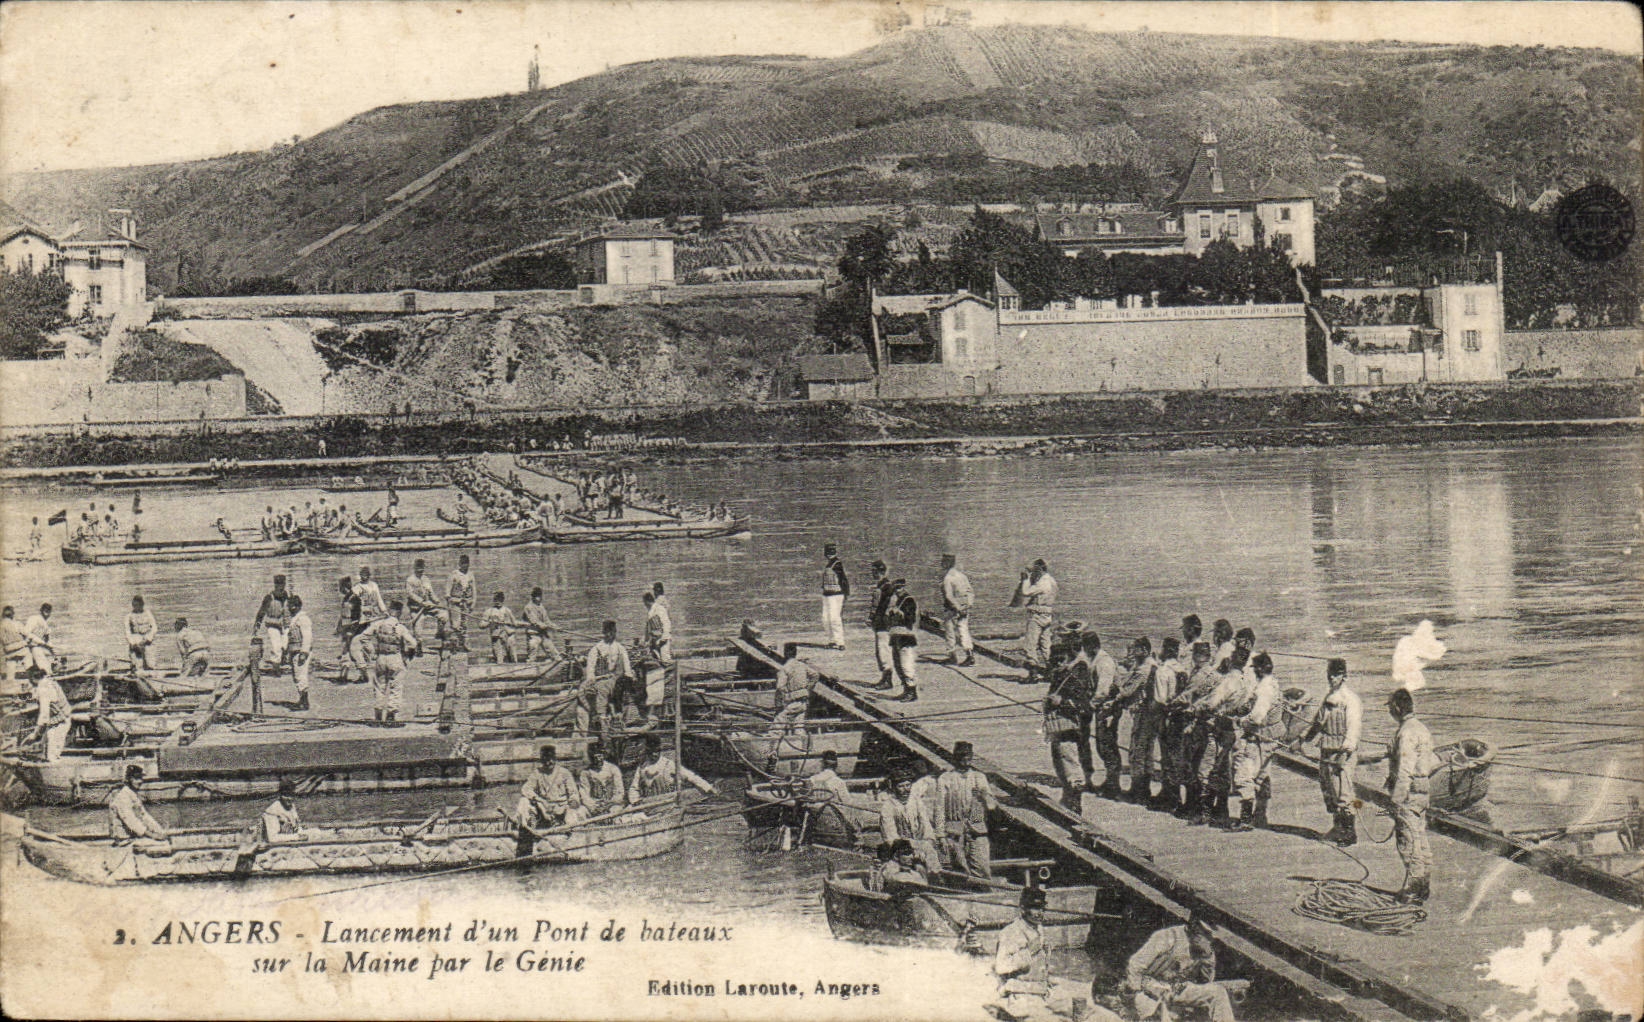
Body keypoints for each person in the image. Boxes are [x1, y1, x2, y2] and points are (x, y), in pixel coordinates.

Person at [1363, 688, 1439, 904]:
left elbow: (1405, 768)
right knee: (1420, 838)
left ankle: (1414, 889)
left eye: (1390, 708)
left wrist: (1395, 800)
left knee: (1407, 840)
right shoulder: (1421, 729)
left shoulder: (1405, 733)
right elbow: (1432, 761)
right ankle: (1423, 885)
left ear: (1396, 708)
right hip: (1423, 789)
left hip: (1409, 791)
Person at [1124, 913, 1235, 1022]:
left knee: (1218, 992)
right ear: (1193, 927)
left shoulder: (1205, 949)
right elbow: (1135, 964)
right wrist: (1136, 990)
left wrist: (1207, 957)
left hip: (1179, 989)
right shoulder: (1168, 936)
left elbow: (1206, 982)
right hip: (1151, 988)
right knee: (1157, 1017)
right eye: (1204, 932)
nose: (1208, 938)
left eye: (1210, 934)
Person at [1301, 658, 1362, 846]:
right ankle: (1337, 828)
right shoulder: (1329, 697)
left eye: (1335, 674)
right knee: (1328, 789)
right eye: (1330, 674)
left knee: (1344, 792)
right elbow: (1318, 723)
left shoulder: (1350, 700)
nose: (1332, 678)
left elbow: (1353, 729)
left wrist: (1345, 753)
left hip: (1342, 752)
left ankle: (1349, 833)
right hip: (1326, 749)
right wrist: (1303, 739)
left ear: (1344, 676)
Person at [1229, 653, 1284, 831]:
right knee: (1262, 775)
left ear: (1259, 669)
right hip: (1271, 738)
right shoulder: (1273, 684)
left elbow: (1258, 717)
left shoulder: (1264, 690)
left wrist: (1241, 721)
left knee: (1244, 774)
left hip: (1259, 738)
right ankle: (1260, 815)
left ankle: (1246, 820)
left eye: (1254, 668)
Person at [1045, 631, 1098, 806]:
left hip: (1068, 726)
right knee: (1060, 762)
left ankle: (1075, 801)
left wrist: (1062, 702)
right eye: (1054, 661)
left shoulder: (1075, 675)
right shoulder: (1063, 674)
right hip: (1057, 727)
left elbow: (1083, 704)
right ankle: (1068, 796)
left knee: (1070, 762)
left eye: (1059, 661)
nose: (1056, 665)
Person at [1130, 637, 1180, 807]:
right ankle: (1173, 796)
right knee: (1173, 758)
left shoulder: (1162, 670)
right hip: (1178, 717)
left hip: (1161, 716)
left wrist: (1150, 717)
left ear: (1167, 651)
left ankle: (1163, 796)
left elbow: (1159, 699)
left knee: (1155, 754)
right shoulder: (1181, 668)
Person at [935, 741, 997, 878]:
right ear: (955, 757)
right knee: (960, 870)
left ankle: (984, 892)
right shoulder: (945, 778)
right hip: (954, 828)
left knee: (982, 868)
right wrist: (940, 835)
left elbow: (992, 806)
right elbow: (939, 808)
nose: (965, 759)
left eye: (968, 755)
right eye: (961, 755)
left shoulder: (979, 777)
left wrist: (983, 795)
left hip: (977, 828)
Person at [993, 887, 1051, 1020]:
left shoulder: (1038, 929)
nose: (1040, 913)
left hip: (1038, 993)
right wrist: (1028, 952)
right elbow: (1000, 966)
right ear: (1023, 909)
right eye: (1035, 908)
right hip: (1020, 996)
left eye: (1042, 908)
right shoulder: (1011, 931)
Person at [517, 746, 588, 843]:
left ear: (555, 759)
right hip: (543, 809)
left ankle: (571, 841)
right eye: (545, 759)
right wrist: (541, 802)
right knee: (523, 801)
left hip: (562, 808)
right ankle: (525, 836)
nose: (547, 762)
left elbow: (573, 794)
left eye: (550, 759)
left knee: (573, 815)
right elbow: (526, 789)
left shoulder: (564, 773)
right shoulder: (537, 773)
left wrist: (570, 804)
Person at [365, 600, 419, 724]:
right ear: (399, 613)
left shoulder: (378, 624)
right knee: (396, 687)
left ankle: (378, 716)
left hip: (381, 658)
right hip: (395, 657)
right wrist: (408, 655)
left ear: (389, 610)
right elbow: (413, 643)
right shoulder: (400, 627)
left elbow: (364, 637)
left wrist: (371, 651)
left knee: (379, 686)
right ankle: (390, 716)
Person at [579, 621, 633, 739]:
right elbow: (590, 670)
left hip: (616, 681)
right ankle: (602, 721)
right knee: (602, 692)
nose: (610, 635)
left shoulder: (620, 649)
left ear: (615, 633)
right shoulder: (596, 649)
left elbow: (627, 669)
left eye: (612, 632)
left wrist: (628, 679)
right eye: (607, 633)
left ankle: (621, 721)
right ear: (603, 633)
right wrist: (591, 680)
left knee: (625, 693)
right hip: (601, 681)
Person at [878, 769, 939, 870]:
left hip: (920, 845)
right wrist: (909, 850)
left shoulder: (916, 801)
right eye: (901, 786)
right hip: (899, 848)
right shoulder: (888, 806)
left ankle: (935, 877)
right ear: (893, 787)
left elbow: (925, 824)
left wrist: (928, 841)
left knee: (929, 855)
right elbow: (890, 836)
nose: (905, 789)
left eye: (908, 785)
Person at [628, 735, 716, 803]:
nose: (654, 754)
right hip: (650, 802)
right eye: (651, 752)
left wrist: (707, 787)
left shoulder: (668, 764)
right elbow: (634, 788)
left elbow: (690, 776)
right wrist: (635, 800)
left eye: (657, 751)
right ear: (647, 752)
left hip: (668, 801)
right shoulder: (642, 767)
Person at [107, 765, 169, 853]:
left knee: (164, 841)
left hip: (132, 837)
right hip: (124, 840)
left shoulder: (132, 794)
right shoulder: (123, 797)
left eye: (141, 778)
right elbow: (131, 821)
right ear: (128, 780)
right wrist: (153, 835)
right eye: (136, 778)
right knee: (163, 846)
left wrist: (160, 831)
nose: (140, 781)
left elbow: (144, 816)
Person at [1013, 559, 1058, 679]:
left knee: (1030, 644)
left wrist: (1026, 579)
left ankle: (1032, 673)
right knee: (1046, 644)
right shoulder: (1052, 581)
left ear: (1039, 569)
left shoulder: (1043, 583)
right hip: (1047, 614)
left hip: (1037, 615)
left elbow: (1025, 592)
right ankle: (1051, 672)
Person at [887, 578, 920, 702]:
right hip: (896, 635)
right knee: (898, 664)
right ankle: (906, 689)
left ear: (903, 587)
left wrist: (900, 613)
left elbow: (910, 619)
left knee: (906, 664)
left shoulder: (908, 600)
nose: (897, 591)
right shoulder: (897, 600)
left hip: (906, 636)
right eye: (895, 589)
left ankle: (912, 691)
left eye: (899, 588)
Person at [939, 553, 975, 666]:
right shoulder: (962, 576)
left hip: (952, 609)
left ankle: (952, 656)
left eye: (943, 562)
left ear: (946, 564)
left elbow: (949, 596)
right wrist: (967, 605)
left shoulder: (947, 578)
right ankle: (969, 654)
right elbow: (970, 592)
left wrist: (957, 608)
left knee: (950, 632)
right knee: (964, 630)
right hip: (964, 608)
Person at [252, 575, 292, 670]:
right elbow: (261, 612)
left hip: (286, 625)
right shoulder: (269, 598)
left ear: (284, 584)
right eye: (278, 584)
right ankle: (276, 668)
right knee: (276, 646)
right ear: (275, 585)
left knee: (285, 645)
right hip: (273, 625)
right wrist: (257, 625)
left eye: (282, 584)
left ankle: (282, 659)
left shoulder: (289, 596)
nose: (280, 586)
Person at [404, 559, 449, 641]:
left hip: (428, 607)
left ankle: (440, 633)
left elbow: (431, 593)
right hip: (416, 609)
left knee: (444, 615)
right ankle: (418, 646)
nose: (420, 571)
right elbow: (410, 594)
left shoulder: (426, 579)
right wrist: (421, 602)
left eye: (422, 569)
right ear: (414, 568)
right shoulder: (410, 580)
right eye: (418, 569)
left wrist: (437, 602)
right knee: (418, 628)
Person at [868, 560, 896, 689]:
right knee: (883, 650)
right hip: (886, 622)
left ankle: (887, 679)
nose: (872, 574)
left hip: (882, 623)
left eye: (874, 571)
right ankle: (885, 677)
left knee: (883, 650)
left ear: (879, 572)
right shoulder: (888, 586)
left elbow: (876, 606)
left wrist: (870, 618)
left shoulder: (882, 587)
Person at [579, 743, 628, 816]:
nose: (598, 759)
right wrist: (594, 806)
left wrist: (610, 803)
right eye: (594, 757)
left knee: (615, 811)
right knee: (580, 812)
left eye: (600, 756)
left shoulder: (613, 769)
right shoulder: (585, 773)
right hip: (595, 805)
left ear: (603, 755)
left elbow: (619, 791)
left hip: (612, 803)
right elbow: (584, 795)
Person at [286, 595, 314, 711]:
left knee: (300, 676)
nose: (289, 608)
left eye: (292, 606)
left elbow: (307, 637)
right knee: (296, 676)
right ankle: (302, 699)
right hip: (294, 651)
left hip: (300, 652)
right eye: (289, 606)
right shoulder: (294, 619)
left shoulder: (303, 619)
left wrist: (304, 652)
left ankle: (304, 702)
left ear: (297, 606)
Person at [446, 555, 476, 651]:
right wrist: (450, 603)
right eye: (463, 564)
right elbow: (447, 591)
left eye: (467, 564)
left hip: (466, 603)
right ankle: (454, 645)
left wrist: (473, 603)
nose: (465, 566)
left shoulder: (470, 575)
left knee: (465, 624)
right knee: (455, 625)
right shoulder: (454, 574)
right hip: (456, 603)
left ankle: (465, 645)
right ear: (459, 564)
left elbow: (474, 590)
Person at [521, 587, 560, 661]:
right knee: (533, 651)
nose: (539, 598)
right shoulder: (528, 607)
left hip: (543, 634)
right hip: (533, 635)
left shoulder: (541, 606)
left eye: (540, 596)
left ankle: (558, 662)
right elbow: (534, 621)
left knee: (553, 652)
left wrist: (555, 626)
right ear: (533, 597)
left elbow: (546, 620)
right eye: (537, 596)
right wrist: (543, 625)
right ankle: (530, 665)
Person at [261, 779, 305, 843]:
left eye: (291, 795)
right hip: (272, 847)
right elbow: (272, 838)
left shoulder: (291, 806)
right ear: (280, 795)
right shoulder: (272, 811)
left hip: (289, 843)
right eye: (286, 795)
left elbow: (297, 826)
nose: (289, 798)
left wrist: (300, 833)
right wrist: (296, 837)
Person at [124, 595, 158, 673]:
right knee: (137, 665)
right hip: (135, 640)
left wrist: (148, 639)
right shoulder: (128, 616)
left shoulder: (148, 614)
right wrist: (133, 643)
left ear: (142, 605)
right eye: (135, 605)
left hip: (147, 640)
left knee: (151, 664)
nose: (137, 607)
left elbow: (154, 628)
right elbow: (127, 631)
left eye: (139, 605)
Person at [482, 592, 518, 664]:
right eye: (496, 600)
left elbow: (515, 623)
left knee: (512, 656)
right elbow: (481, 625)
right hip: (497, 636)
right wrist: (490, 623)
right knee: (499, 658)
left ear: (503, 600)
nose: (498, 602)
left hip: (508, 635)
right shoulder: (489, 611)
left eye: (500, 600)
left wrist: (507, 623)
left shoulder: (507, 610)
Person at [24, 603, 55, 679]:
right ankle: (47, 676)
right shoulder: (34, 619)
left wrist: (51, 649)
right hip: (29, 646)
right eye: (45, 612)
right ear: (41, 611)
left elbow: (47, 639)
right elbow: (26, 633)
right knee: (41, 662)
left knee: (50, 659)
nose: (47, 615)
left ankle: (48, 673)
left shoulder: (46, 625)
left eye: (49, 612)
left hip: (38, 646)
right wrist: (41, 642)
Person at [642, 591, 672, 666]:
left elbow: (666, 623)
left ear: (647, 601)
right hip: (654, 639)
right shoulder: (650, 612)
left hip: (662, 639)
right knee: (656, 659)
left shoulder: (659, 609)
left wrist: (664, 637)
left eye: (644, 602)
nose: (644, 604)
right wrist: (645, 641)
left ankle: (671, 674)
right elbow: (648, 628)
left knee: (665, 660)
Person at [1, 606, 28, 690]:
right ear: (12, 615)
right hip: (21, 650)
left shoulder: (1, 625)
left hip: (8, 651)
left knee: (10, 672)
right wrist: (25, 642)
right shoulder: (17, 624)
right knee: (27, 664)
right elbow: (27, 634)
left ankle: (10, 687)